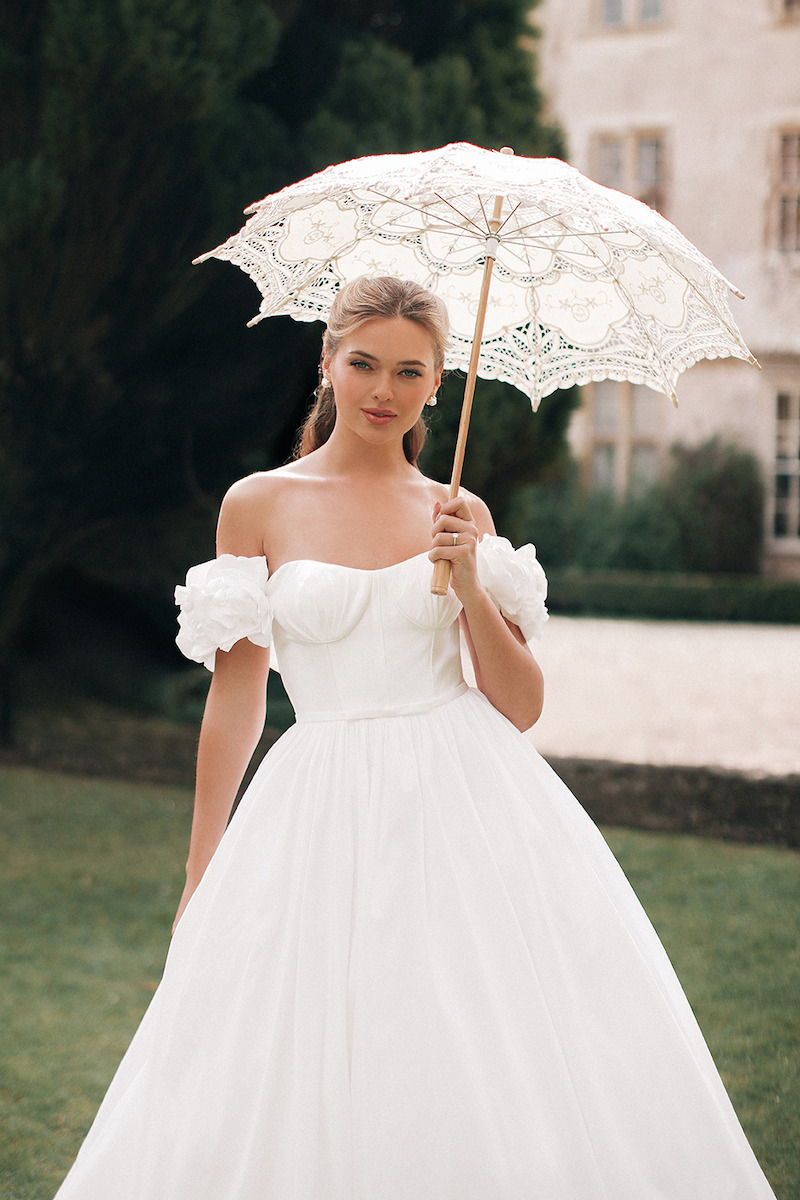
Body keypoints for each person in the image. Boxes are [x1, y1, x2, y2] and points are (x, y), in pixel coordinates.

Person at [54, 276, 776, 1199]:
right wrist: (202, 873)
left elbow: (521, 706)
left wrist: (471, 580)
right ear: (327, 363)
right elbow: (235, 701)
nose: (381, 391)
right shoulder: (257, 505)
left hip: (465, 802)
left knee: (473, 1040)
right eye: (362, 364)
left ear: (439, 384)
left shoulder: (459, 512)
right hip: (314, 798)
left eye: (408, 371)